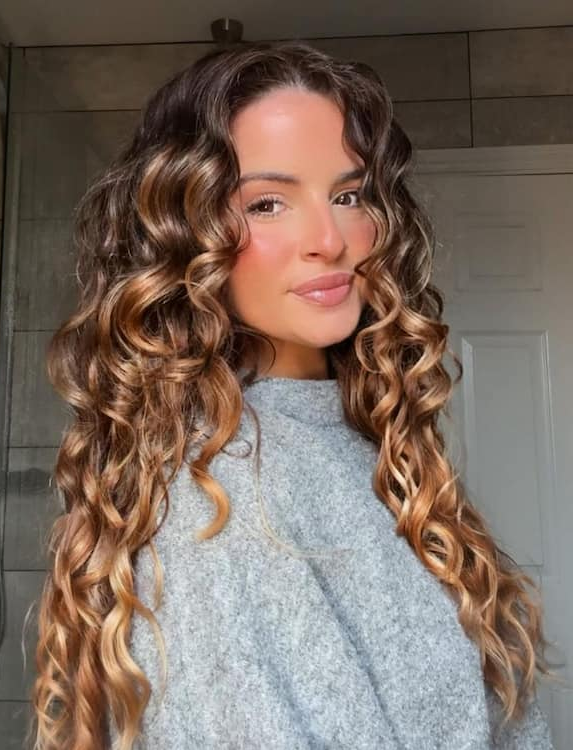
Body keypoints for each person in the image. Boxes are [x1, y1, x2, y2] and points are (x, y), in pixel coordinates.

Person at [28, 40, 558, 749]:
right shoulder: (225, 490)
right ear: (185, 234)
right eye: (268, 203)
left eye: (348, 195)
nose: (329, 239)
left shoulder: (355, 438)